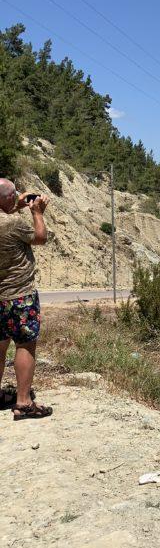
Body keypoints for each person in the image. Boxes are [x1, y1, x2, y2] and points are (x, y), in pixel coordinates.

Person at [0, 178, 49, 420]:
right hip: (19, 294)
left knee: (0, 345)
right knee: (25, 344)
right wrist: (37, 213)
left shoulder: (7, 219)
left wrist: (14, 205)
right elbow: (40, 237)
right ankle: (23, 402)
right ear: (9, 198)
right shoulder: (14, 223)